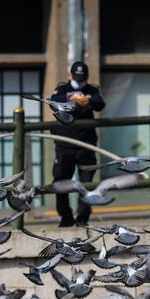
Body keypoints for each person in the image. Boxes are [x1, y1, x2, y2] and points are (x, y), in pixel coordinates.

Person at [49, 61, 106, 227]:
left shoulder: (92, 90)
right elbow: (53, 100)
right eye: (76, 77)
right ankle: (65, 217)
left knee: (86, 184)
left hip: (86, 146)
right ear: (69, 76)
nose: (79, 81)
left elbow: (100, 103)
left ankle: (82, 219)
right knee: (60, 182)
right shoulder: (62, 89)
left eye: (82, 78)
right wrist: (70, 98)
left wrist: (87, 101)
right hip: (64, 145)